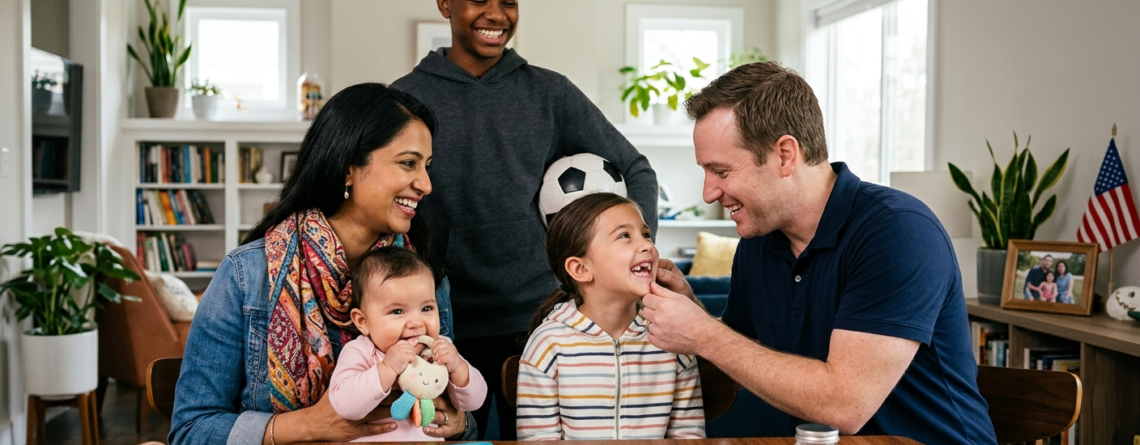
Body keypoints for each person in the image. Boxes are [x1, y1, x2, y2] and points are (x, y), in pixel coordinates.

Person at [639, 62, 997, 444]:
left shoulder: (898, 232)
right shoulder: (757, 245)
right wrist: (693, 314)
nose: (708, 192)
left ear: (785, 155)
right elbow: (740, 359)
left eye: (722, 171)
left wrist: (704, 334)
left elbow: (845, 405)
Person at [391, 0, 658, 438]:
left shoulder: (552, 93)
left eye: (510, 2)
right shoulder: (405, 99)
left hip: (541, 320)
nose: (496, 13)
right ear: (445, 4)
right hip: (443, 325)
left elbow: (635, 169)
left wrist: (632, 248)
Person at [170, 83, 473, 444]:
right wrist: (308, 426)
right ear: (347, 168)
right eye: (408, 163)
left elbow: (452, 403)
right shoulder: (246, 276)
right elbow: (191, 429)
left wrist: (460, 423)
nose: (425, 184)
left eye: (426, 166)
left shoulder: (425, 277)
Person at [515, 193, 704, 440]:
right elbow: (537, 439)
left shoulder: (673, 337)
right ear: (580, 269)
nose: (647, 245)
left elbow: (689, 437)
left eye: (645, 234)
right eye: (624, 235)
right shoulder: (548, 344)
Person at [329, 247, 487, 441]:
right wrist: (387, 368)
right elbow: (344, 406)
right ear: (363, 322)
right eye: (397, 311)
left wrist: (457, 367)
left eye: (427, 308)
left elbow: (475, 401)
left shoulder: (439, 350)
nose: (416, 323)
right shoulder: (361, 351)